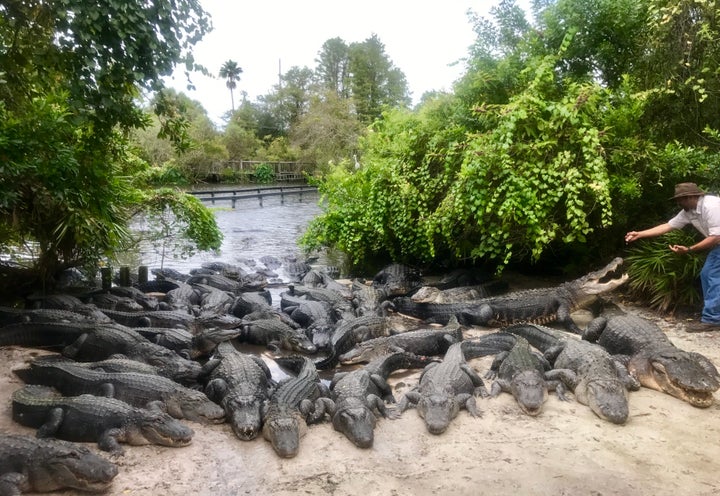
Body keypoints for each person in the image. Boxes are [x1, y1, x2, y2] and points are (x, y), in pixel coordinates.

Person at [625, 182, 720, 332]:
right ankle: (714, 317)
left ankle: (712, 319)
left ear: (689, 197)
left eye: (679, 199)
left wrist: (689, 249)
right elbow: (668, 226)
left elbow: (715, 237)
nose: (677, 202)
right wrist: (640, 234)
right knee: (709, 274)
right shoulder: (689, 211)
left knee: (711, 274)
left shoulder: (711, 206)